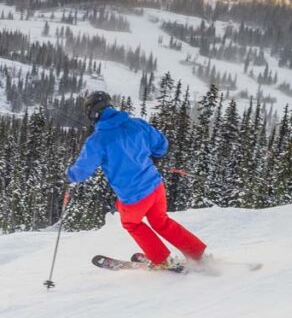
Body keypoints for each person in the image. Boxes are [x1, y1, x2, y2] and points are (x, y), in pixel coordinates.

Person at [67, 91, 207, 269]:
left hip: (134, 196)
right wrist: (155, 156)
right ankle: (196, 253)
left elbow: (81, 172)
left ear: (92, 113)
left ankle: (161, 259)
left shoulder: (97, 141)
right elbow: (161, 144)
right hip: (156, 187)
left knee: (131, 223)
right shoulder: (137, 124)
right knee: (161, 221)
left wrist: (69, 175)